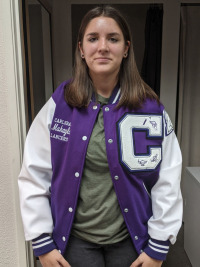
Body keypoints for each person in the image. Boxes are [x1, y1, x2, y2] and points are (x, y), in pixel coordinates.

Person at [18, 5, 183, 267]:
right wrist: (42, 242)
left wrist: (158, 247)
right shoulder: (60, 105)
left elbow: (167, 179)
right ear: (81, 49)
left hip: (132, 240)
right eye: (93, 38)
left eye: (113, 39)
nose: (103, 47)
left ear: (126, 48)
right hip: (75, 241)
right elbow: (35, 174)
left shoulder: (149, 108)